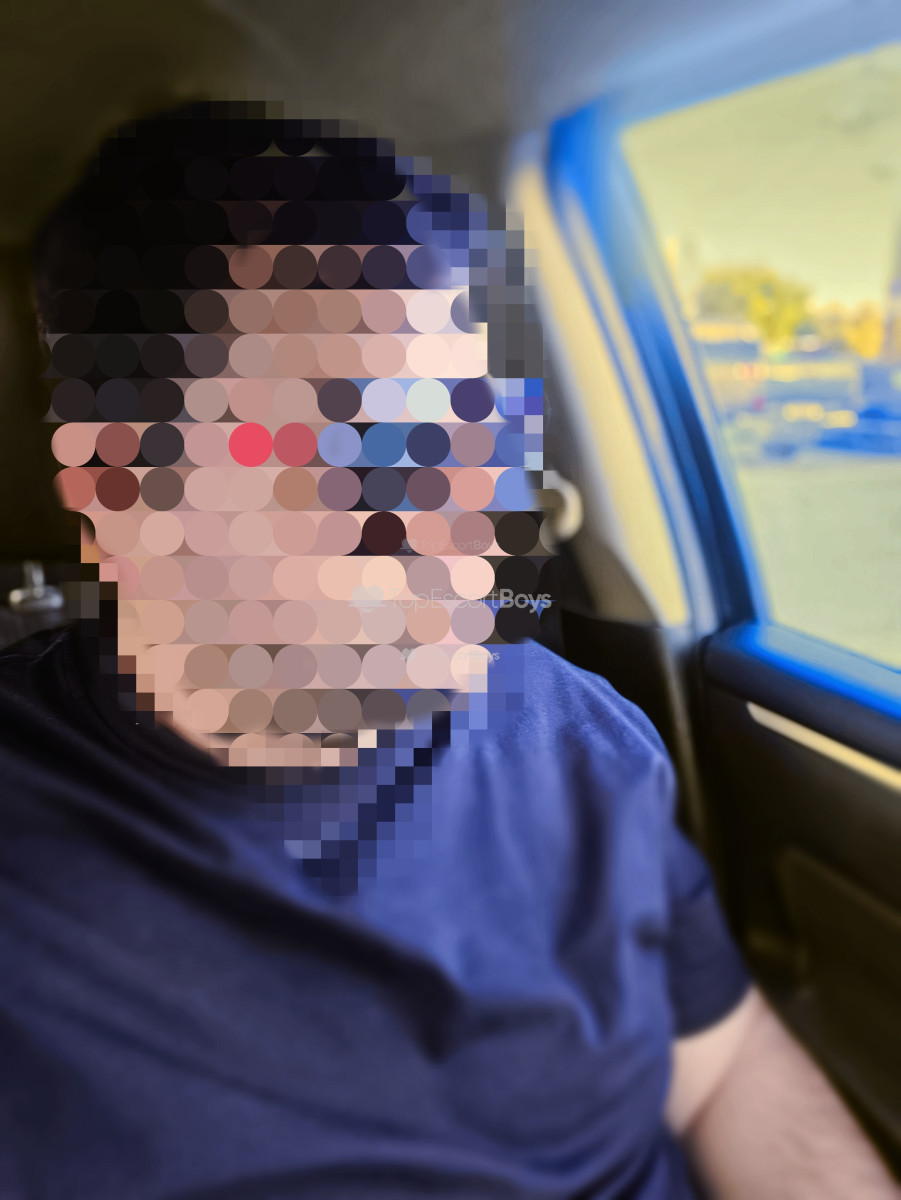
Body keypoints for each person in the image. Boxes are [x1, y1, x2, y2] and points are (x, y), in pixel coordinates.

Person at [0, 102, 897, 1200]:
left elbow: (718, 1066)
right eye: (372, 437)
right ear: (120, 491)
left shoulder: (572, 732)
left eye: (483, 433)